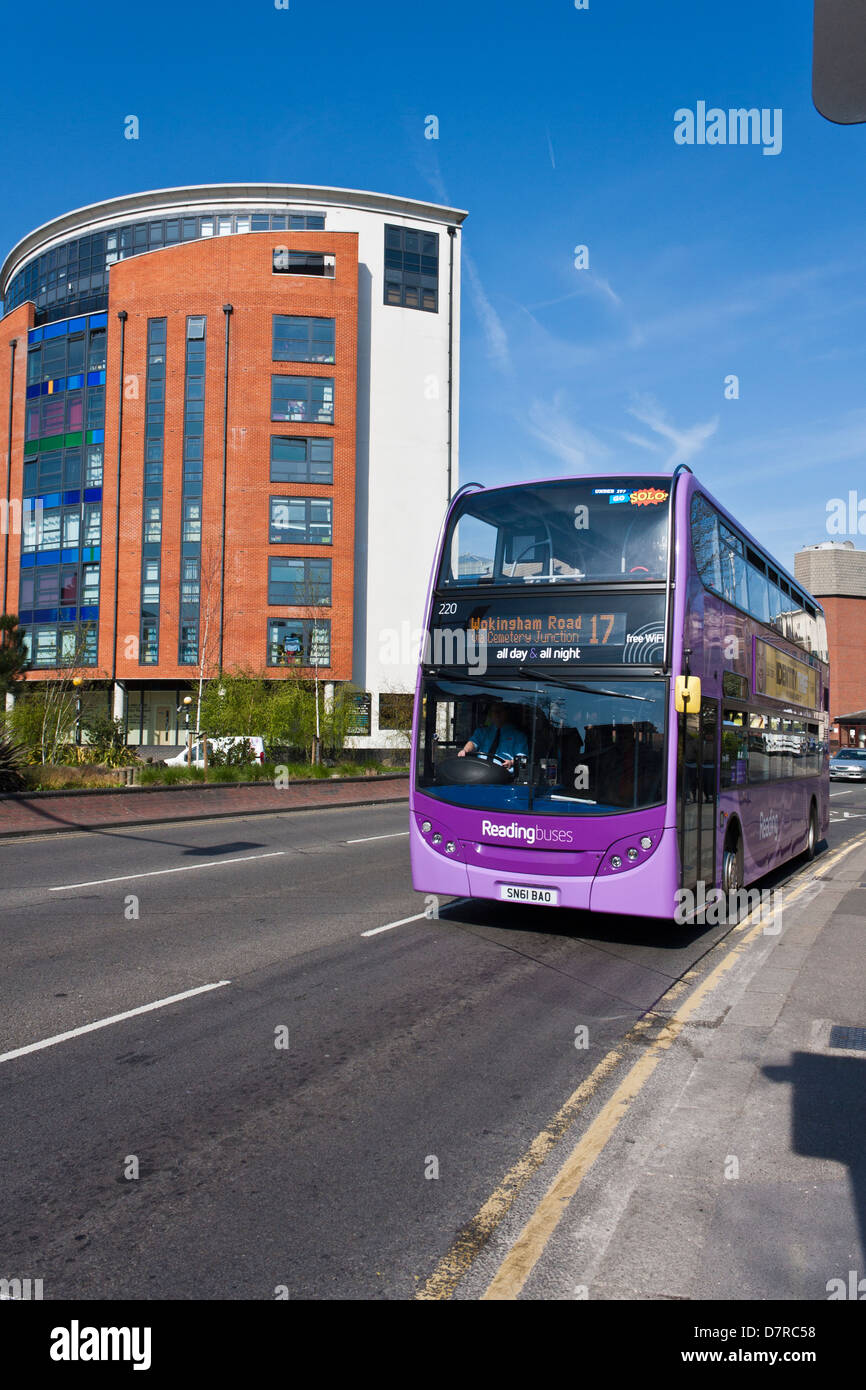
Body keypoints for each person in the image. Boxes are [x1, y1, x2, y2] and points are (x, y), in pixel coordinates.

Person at [458, 702, 528, 772]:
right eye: (493, 711)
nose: (497, 714)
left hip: (504, 775)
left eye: (499, 711)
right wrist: (465, 750)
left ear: (507, 713)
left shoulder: (519, 736)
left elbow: (522, 758)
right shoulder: (482, 732)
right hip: (479, 772)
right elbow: (473, 742)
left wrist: (512, 762)